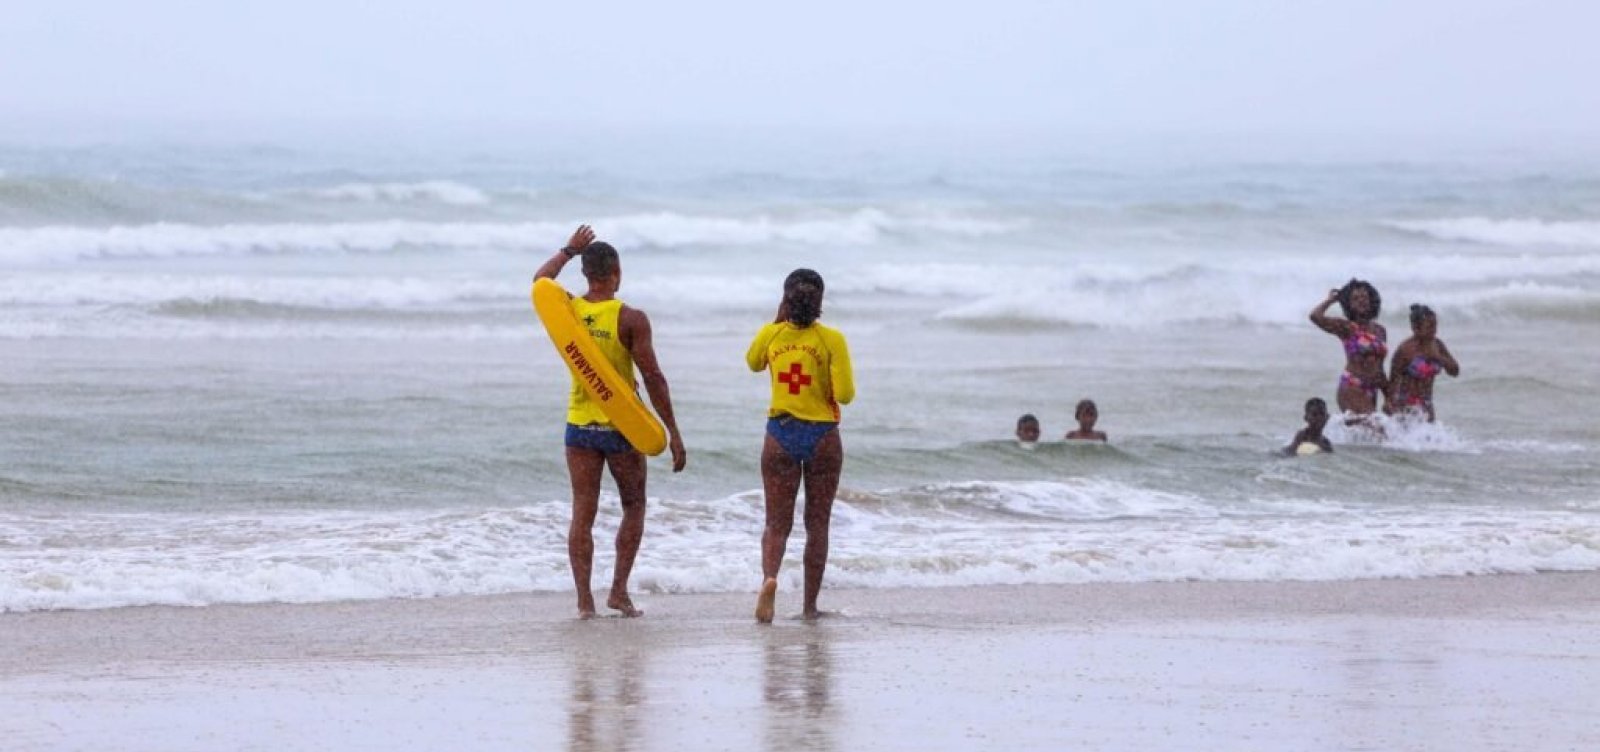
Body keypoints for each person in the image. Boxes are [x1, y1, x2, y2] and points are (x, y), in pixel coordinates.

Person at [535, 224, 687, 619]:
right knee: (633, 505)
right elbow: (653, 378)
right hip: (622, 427)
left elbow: (540, 283)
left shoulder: (570, 309)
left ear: (586, 274)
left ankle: (585, 602)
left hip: (580, 426)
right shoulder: (631, 318)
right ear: (617, 272)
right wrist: (672, 432)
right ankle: (618, 592)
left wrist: (568, 250)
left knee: (583, 509)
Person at [746, 269, 854, 623]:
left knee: (776, 524)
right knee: (817, 525)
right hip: (822, 437)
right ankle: (809, 606)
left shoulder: (771, 334)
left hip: (780, 435)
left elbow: (752, 363)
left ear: (785, 299)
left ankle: (770, 580)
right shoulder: (831, 339)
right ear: (820, 301)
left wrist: (778, 321)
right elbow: (845, 395)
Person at [1310, 279, 1388, 419]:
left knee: (1369, 436)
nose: (1361, 301)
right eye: (1355, 298)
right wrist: (1331, 300)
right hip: (1352, 386)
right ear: (1349, 304)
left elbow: (1380, 368)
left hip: (1372, 389)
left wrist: (1388, 395)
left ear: (1372, 300)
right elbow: (1315, 316)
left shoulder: (1380, 330)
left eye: (1364, 297)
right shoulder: (1346, 327)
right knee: (1375, 430)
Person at [1386, 304, 1460, 422]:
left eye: (1435, 326)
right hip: (1406, 405)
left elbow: (1455, 371)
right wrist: (1389, 405)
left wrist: (1438, 357)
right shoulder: (1405, 349)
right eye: (1429, 327)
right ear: (1415, 328)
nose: (1434, 331)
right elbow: (1393, 381)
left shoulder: (1437, 344)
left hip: (1427, 404)